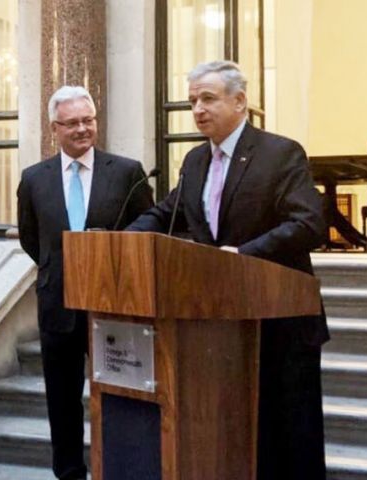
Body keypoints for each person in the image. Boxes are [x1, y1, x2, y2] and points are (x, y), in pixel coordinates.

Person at [127, 61, 328, 479]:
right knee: (234, 437)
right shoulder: (195, 161)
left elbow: (308, 224)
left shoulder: (279, 152)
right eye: (192, 101)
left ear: (240, 101)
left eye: (208, 98)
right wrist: (124, 241)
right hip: (221, 323)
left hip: (280, 321)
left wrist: (243, 254)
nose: (198, 109)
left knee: (289, 437)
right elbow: (169, 212)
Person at [17, 85, 154, 480]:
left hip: (116, 304)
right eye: (73, 122)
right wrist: (60, 270)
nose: (82, 129)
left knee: (121, 393)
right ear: (54, 128)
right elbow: (32, 238)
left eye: (88, 121)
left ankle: (121, 469)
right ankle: (70, 472)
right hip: (58, 305)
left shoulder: (126, 171)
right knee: (61, 398)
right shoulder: (34, 179)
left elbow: (147, 227)